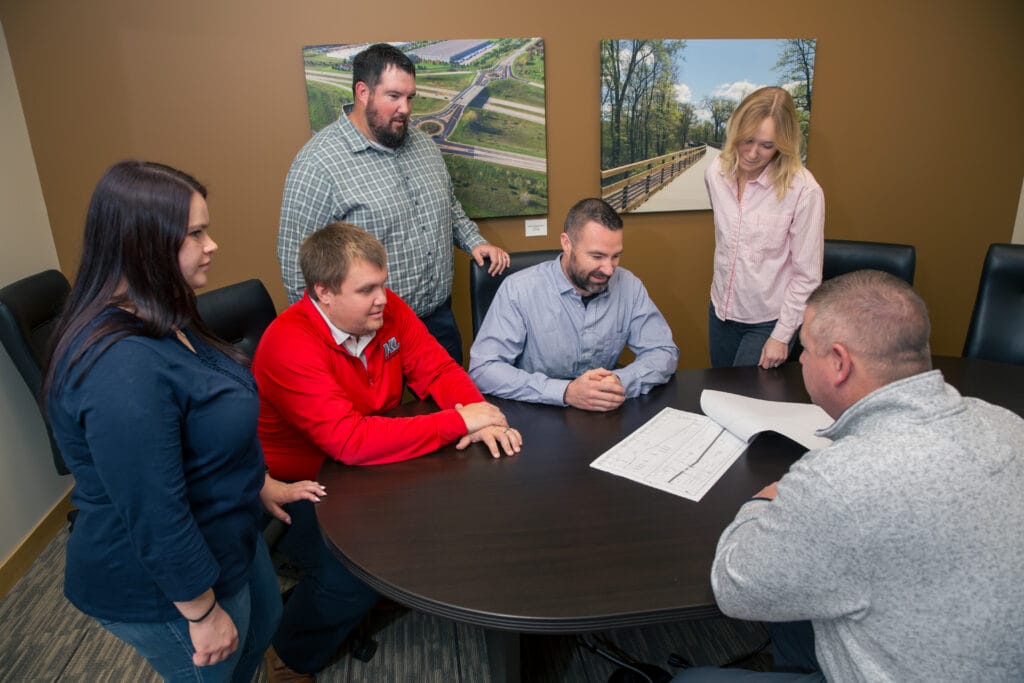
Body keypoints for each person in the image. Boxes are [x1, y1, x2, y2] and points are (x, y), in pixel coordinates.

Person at [44, 161, 324, 682]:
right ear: (144, 243)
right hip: (163, 581)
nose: (212, 244)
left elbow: (198, 433)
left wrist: (258, 484)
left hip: (227, 534)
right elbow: (155, 511)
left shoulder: (163, 313)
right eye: (195, 233)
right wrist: (200, 612)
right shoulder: (120, 369)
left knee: (261, 632)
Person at [675, 270, 1024, 682]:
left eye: (804, 349)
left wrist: (762, 501)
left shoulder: (836, 482)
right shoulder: (1009, 425)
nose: (799, 359)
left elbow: (732, 586)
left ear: (839, 363)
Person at [253, 221, 521, 678]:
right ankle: (288, 655)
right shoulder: (288, 343)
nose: (383, 297)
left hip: (370, 461)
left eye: (384, 283)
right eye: (367, 289)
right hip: (305, 484)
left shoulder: (386, 310)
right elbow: (349, 441)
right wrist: (458, 420)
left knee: (464, 509)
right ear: (324, 293)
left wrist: (478, 411)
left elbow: (437, 368)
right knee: (353, 576)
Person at [278, 42, 510, 363]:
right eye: (393, 97)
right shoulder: (317, 165)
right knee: (380, 415)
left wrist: (474, 241)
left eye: (410, 97)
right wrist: (326, 340)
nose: (406, 109)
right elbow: (296, 266)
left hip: (436, 321)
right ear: (363, 92)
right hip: (365, 335)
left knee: (453, 407)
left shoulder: (424, 146)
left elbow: (449, 205)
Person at [469, 197, 678, 411]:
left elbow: (663, 351)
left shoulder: (628, 286)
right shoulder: (519, 289)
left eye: (615, 256)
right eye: (597, 256)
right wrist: (566, 391)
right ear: (567, 244)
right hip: (536, 412)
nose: (608, 269)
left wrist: (619, 381)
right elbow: (484, 369)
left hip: (604, 414)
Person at [705, 86, 824, 370]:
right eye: (747, 140)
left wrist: (782, 335)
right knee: (720, 395)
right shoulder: (715, 173)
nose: (752, 153)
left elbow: (807, 276)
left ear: (783, 144)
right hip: (720, 311)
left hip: (767, 321)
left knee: (747, 404)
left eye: (767, 145)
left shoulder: (804, 191)